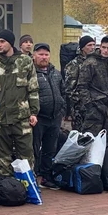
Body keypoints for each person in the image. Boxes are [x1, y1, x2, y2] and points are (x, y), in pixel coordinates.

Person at [0, 29, 39, 175]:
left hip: (21, 118)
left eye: (2, 42)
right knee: (2, 159)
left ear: (10, 43)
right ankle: (8, 189)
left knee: (26, 156)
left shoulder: (25, 62)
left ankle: (28, 187)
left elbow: (33, 88)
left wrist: (34, 112)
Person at [31, 43, 65, 185]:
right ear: (34, 56)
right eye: (40, 54)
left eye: (46, 54)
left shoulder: (55, 73)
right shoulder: (30, 73)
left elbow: (63, 92)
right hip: (38, 118)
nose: (43, 57)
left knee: (50, 149)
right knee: (34, 148)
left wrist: (63, 111)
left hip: (54, 118)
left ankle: (46, 176)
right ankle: (32, 176)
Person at [75, 35, 108, 134]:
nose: (106, 50)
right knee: (91, 141)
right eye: (103, 47)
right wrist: (89, 106)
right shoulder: (90, 62)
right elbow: (82, 86)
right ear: (100, 47)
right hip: (95, 108)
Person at [65, 35, 97, 125]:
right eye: (89, 45)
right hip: (80, 108)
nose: (92, 48)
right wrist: (81, 102)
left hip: (97, 105)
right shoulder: (74, 65)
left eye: (93, 45)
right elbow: (70, 88)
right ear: (82, 48)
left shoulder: (96, 62)